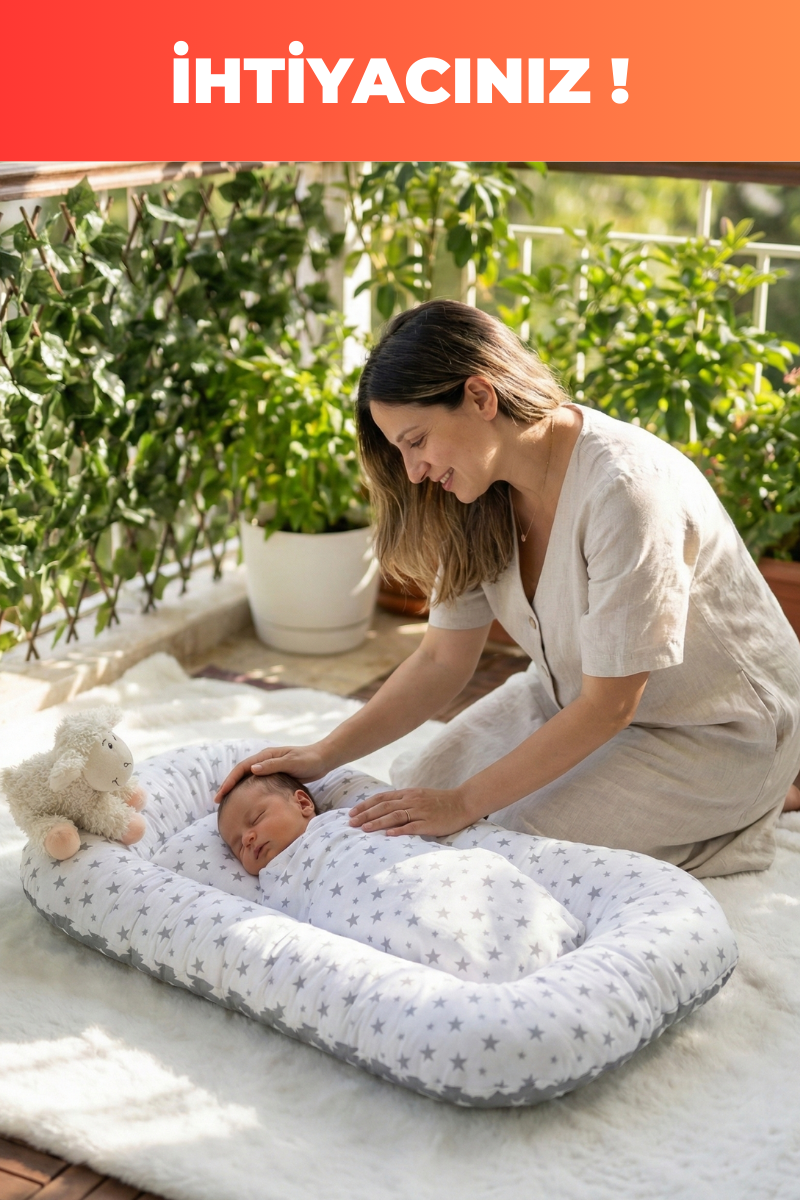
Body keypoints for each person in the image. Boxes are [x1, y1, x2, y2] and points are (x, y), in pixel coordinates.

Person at [217, 300, 800, 878]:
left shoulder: (626, 492)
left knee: (504, 847)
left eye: (416, 441)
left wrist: (466, 802)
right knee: (414, 788)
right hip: (566, 699)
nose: (413, 470)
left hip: (712, 733)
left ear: (479, 396)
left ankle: (751, 811)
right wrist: (324, 754)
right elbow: (442, 659)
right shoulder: (475, 495)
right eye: (400, 450)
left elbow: (611, 705)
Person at [216, 769, 584, 983]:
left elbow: (409, 839)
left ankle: (540, 932)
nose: (247, 839)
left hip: (423, 877)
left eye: (256, 819)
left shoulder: (347, 819)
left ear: (302, 804)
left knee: (475, 881)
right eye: (236, 846)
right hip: (373, 918)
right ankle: (485, 974)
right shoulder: (271, 889)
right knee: (419, 936)